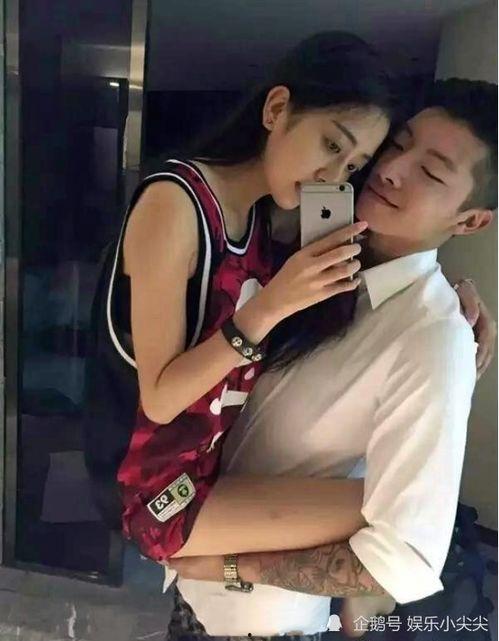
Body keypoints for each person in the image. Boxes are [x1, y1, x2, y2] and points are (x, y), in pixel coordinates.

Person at [167, 78, 498, 638]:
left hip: (258, 623)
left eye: (431, 172)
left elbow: (405, 558)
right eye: (398, 145)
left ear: (469, 221)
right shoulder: (324, 237)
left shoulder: (435, 337)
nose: (392, 170)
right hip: (192, 584)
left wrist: (232, 567)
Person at [84, 30, 397, 566]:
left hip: (213, 464)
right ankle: (217, 573)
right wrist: (270, 306)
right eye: (331, 144)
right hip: (148, 493)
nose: (332, 175)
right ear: (277, 109)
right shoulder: (175, 203)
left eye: (351, 166)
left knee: (396, 501)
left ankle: (222, 577)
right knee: (391, 510)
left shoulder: (258, 221)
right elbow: (160, 399)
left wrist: (451, 296)